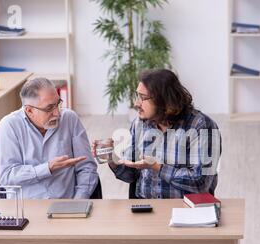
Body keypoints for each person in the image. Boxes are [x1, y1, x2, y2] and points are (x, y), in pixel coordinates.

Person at [92, 69, 221, 199]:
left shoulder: (202, 126)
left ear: (165, 101)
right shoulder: (140, 123)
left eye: (143, 98)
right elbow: (130, 175)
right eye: (137, 96)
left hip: (187, 210)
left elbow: (201, 183)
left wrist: (157, 166)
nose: (136, 103)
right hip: (146, 208)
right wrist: (112, 157)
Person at [0, 77, 98, 199]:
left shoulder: (69, 119)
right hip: (26, 209)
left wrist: (78, 201)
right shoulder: (8, 127)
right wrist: (47, 168)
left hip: (67, 205)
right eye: (49, 108)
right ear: (29, 110)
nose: (57, 113)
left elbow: (87, 167)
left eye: (58, 104)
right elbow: (7, 176)